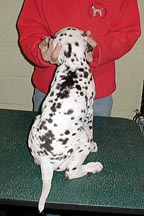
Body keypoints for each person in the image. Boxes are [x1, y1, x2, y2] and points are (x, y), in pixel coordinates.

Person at [17, 0, 141, 117]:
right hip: (49, 88)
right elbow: (29, 29)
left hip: (96, 94)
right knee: (45, 138)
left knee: (96, 137)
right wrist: (41, 50)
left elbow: (127, 32)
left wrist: (97, 49)